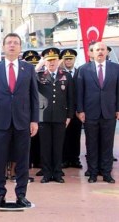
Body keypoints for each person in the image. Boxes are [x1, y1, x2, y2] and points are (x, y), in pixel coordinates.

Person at [0, 33, 39, 208]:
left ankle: (21, 194)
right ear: (4, 46)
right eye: (9, 43)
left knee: (23, 160)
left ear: (20, 47)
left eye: (16, 43)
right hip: (0, 122)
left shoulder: (28, 68)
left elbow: (33, 96)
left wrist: (34, 120)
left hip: (23, 121)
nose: (12, 45)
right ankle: (0, 194)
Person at [77, 42, 118, 184]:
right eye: (97, 50)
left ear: (107, 52)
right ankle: (93, 173)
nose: (100, 52)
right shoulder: (83, 69)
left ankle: (107, 173)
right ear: (92, 53)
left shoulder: (116, 68)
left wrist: (118, 109)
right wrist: (80, 110)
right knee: (91, 144)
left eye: (102, 49)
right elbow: (79, 92)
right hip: (90, 113)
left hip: (109, 112)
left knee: (107, 144)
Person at [36, 48, 74, 183]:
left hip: (60, 116)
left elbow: (70, 97)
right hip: (43, 116)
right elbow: (29, 82)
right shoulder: (39, 75)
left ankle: (57, 173)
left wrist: (69, 115)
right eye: (48, 60)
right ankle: (47, 173)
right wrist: (38, 66)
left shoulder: (66, 76)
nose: (51, 63)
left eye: (54, 60)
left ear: (58, 61)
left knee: (58, 146)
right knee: (45, 147)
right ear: (45, 62)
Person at [59, 49, 83, 169]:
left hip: (77, 110)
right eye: (66, 58)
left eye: (70, 58)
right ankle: (64, 159)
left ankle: (75, 159)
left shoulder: (80, 72)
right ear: (62, 59)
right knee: (64, 136)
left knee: (76, 135)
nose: (68, 61)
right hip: (64, 110)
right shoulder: (60, 73)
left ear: (74, 59)